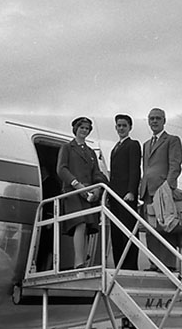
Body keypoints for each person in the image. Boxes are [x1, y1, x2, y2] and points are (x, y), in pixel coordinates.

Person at [56, 116, 108, 269]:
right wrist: (76, 184)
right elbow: (61, 168)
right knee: (80, 223)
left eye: (87, 129)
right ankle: (79, 262)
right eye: (82, 128)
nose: (84, 131)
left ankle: (82, 261)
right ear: (75, 129)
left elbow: (97, 173)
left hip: (88, 193)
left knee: (86, 227)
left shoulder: (91, 152)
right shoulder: (67, 148)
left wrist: (98, 187)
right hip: (73, 192)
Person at [139, 108, 182, 271]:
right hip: (147, 191)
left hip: (163, 191)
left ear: (164, 121)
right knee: (151, 229)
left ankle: (169, 264)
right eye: (151, 119)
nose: (154, 121)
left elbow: (175, 165)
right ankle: (154, 263)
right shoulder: (146, 144)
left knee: (166, 226)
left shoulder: (172, 140)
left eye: (158, 118)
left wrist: (169, 187)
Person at [109, 114, 141, 270]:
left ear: (130, 128)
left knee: (128, 231)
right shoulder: (115, 148)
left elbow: (135, 170)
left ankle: (130, 266)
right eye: (119, 126)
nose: (121, 128)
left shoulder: (132, 144)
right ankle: (119, 265)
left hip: (126, 196)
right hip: (115, 196)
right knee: (116, 232)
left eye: (124, 125)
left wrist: (131, 191)